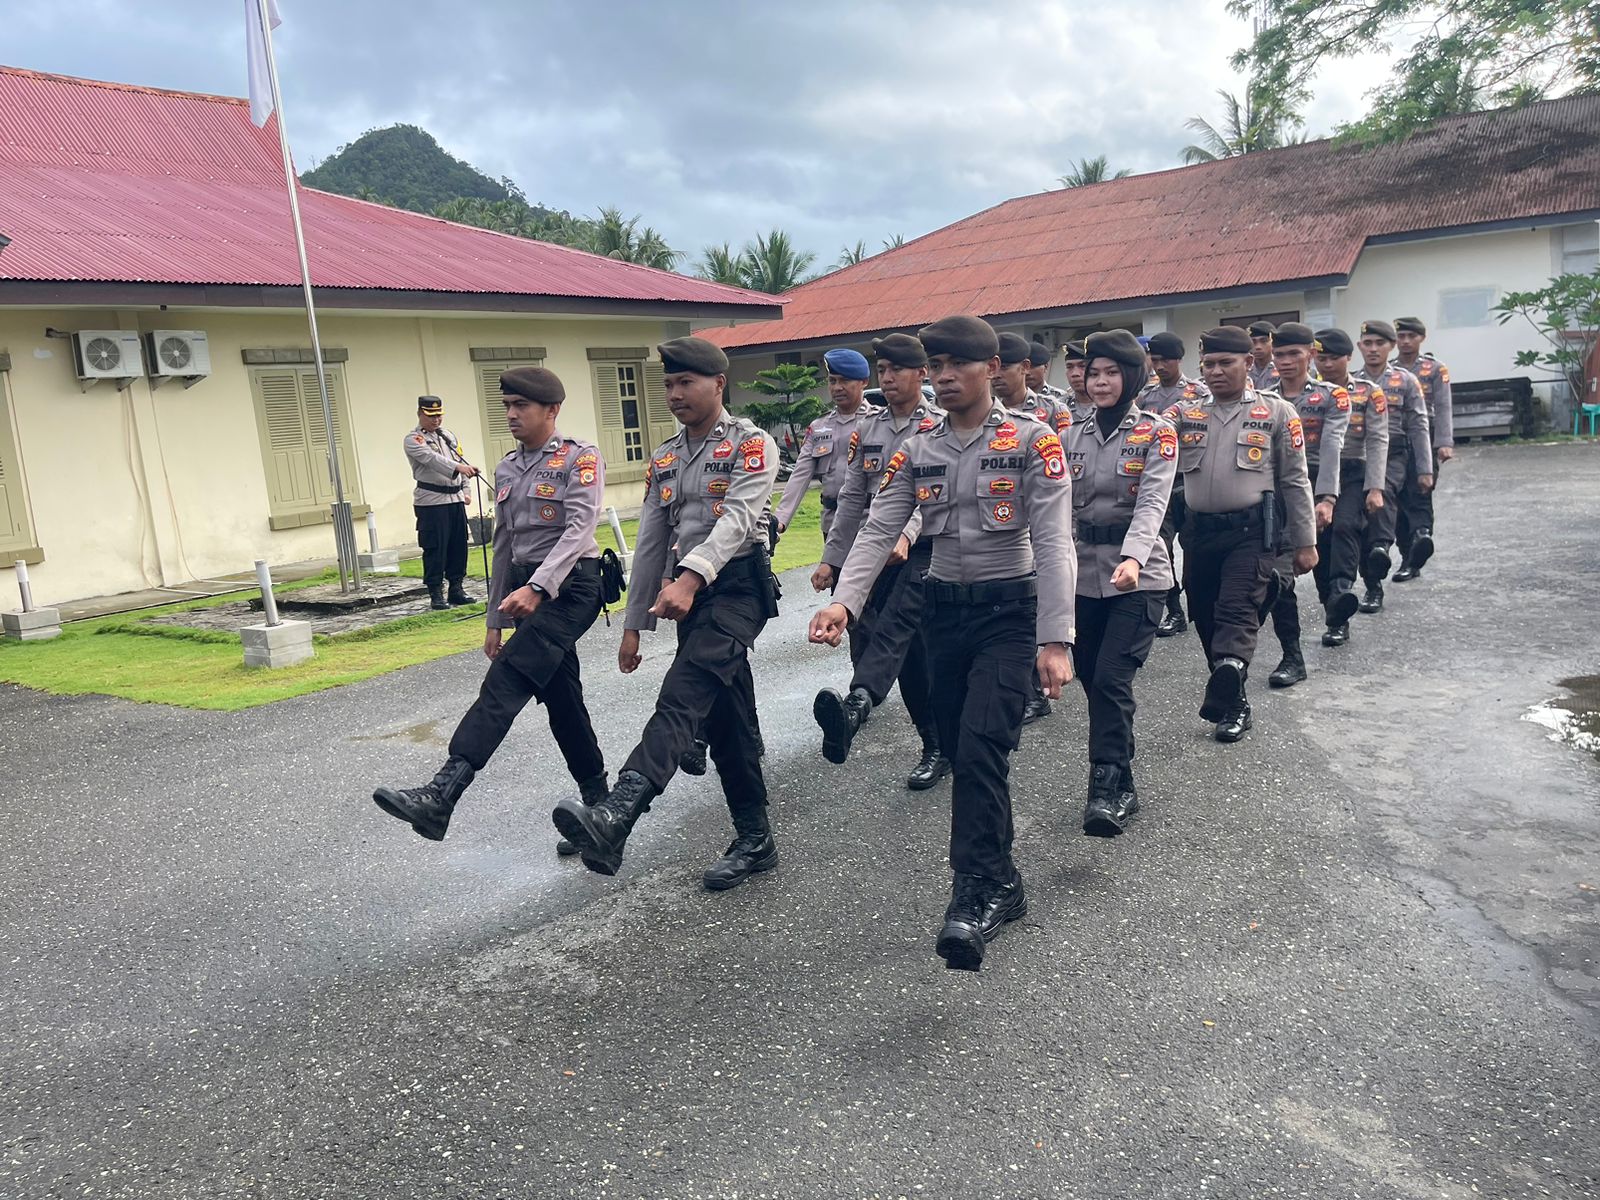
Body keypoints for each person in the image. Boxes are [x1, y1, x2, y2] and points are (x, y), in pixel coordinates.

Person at [810, 315, 1076, 972]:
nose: (944, 376)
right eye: (937, 366)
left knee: (983, 746)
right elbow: (878, 526)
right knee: (965, 751)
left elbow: (1052, 540)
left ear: (991, 368)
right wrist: (846, 600)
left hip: (1008, 616)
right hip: (945, 615)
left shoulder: (1031, 440)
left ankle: (972, 894)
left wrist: (1056, 639)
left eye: (957, 364)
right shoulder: (919, 447)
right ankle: (1004, 879)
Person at [551, 337, 782, 890]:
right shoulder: (666, 458)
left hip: (737, 589)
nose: (674, 394)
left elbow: (739, 519)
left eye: (686, 383)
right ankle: (756, 838)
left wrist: (692, 575)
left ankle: (618, 813)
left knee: (684, 692)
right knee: (727, 720)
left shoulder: (753, 444)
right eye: (669, 384)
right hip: (687, 596)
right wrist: (633, 626)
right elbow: (651, 543)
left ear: (718, 383)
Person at [374, 369, 607, 842]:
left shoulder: (579, 458)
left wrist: (538, 589)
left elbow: (579, 529)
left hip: (572, 587)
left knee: (508, 680)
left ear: (552, 410)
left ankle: (442, 795)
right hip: (524, 593)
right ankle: (603, 812)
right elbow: (503, 545)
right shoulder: (506, 467)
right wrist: (494, 621)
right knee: (563, 702)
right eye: (507, 405)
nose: (511, 414)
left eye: (521, 405)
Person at [809, 333, 949, 790]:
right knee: (910, 660)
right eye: (882, 370)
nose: (887, 379)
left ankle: (858, 704)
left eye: (897, 370)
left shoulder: (941, 425)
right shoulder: (866, 430)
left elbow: (933, 497)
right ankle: (935, 744)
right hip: (876, 547)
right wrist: (832, 559)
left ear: (921, 373)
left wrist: (907, 534)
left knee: (898, 627)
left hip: (929, 548)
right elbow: (852, 500)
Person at [1165, 326, 1316, 742]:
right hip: (1199, 535)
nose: (1215, 372)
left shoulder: (1278, 412)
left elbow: (1296, 480)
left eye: (1225, 363)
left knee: (1237, 607)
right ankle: (1234, 697)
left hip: (1252, 533)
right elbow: (1150, 439)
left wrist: (1306, 542)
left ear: (1248, 363)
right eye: (1209, 364)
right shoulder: (1184, 413)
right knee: (1206, 616)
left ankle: (1231, 669)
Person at [1064, 330, 1176, 834]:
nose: (1101, 381)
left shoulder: (1158, 432)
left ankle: (1107, 785)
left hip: (1140, 576)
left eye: (1111, 372)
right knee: (1091, 676)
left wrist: (1132, 558)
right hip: (1083, 574)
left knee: (1111, 677)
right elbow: (1057, 507)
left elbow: (1153, 503)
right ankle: (1122, 773)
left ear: (1131, 377)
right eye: (1094, 373)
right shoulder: (1070, 436)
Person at [1262, 324, 1350, 688]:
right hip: (1279, 491)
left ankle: (1336, 612)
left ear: (1310, 355)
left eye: (1293, 354)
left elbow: (1332, 446)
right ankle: (1292, 656)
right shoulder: (1262, 399)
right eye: (1279, 354)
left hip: (1317, 481)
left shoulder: (1332, 396)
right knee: (1282, 574)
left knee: (1324, 556)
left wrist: (1326, 497)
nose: (1285, 361)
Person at [994, 332, 1074, 724]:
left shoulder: (1051, 412)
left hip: (1038, 520)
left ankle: (1038, 686)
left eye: (1005, 366)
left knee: (1037, 602)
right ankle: (1026, 687)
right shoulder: (978, 418)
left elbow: (1061, 467)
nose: (997, 375)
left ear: (1024, 368)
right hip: (999, 525)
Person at [1311, 328, 1390, 648]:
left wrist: (1375, 487)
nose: (1327, 365)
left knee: (1345, 527)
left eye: (1333, 358)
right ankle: (1330, 600)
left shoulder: (1370, 393)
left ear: (1348, 358)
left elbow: (1377, 439)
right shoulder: (1309, 392)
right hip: (1314, 473)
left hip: (1353, 471)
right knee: (1318, 539)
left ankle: (1341, 598)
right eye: (1322, 358)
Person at [1354, 320, 1432, 614]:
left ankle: (1382, 549)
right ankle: (1372, 576)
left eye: (1380, 344)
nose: (1373, 349)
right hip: (1358, 454)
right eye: (1368, 343)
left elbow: (1419, 425)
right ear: (1360, 346)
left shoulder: (1406, 381)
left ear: (1391, 346)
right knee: (1355, 520)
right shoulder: (1352, 383)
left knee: (1380, 493)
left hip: (1395, 453)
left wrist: (1425, 469)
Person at [1140, 332, 1209, 639]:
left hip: (1192, 479)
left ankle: (1200, 604)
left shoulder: (1198, 392)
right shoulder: (1146, 396)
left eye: (1165, 360)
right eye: (1155, 360)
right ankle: (1174, 610)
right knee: (1161, 547)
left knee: (1194, 548)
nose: (1159, 366)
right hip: (1162, 484)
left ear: (1179, 360)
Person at [773, 348, 877, 544]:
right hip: (832, 523)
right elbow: (800, 475)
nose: (837, 387)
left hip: (870, 522)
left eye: (844, 381)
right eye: (832, 381)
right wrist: (780, 520)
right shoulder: (819, 427)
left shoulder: (879, 422)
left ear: (864, 382)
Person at [1390, 316, 1454, 582]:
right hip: (1393, 438)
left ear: (1421, 338)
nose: (1405, 342)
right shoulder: (1388, 369)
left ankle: (1422, 537)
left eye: (1411, 337)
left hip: (1423, 436)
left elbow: (1444, 406)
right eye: (1401, 336)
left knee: (1420, 490)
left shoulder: (1434, 368)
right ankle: (1409, 556)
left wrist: (1444, 442)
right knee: (1395, 499)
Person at [405, 395, 480, 609]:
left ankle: (457, 588)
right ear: (420, 414)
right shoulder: (414, 440)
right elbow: (432, 459)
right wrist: (458, 468)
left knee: (459, 545)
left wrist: (466, 489)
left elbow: (461, 461)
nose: (436, 420)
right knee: (435, 547)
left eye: (439, 415)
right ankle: (436, 593)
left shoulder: (448, 436)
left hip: (454, 498)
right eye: (431, 416)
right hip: (431, 502)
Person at [1246, 321, 1280, 393]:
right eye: (1253, 342)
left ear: (1272, 343)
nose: (1258, 347)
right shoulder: (1244, 368)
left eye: (1264, 341)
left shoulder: (1281, 365)